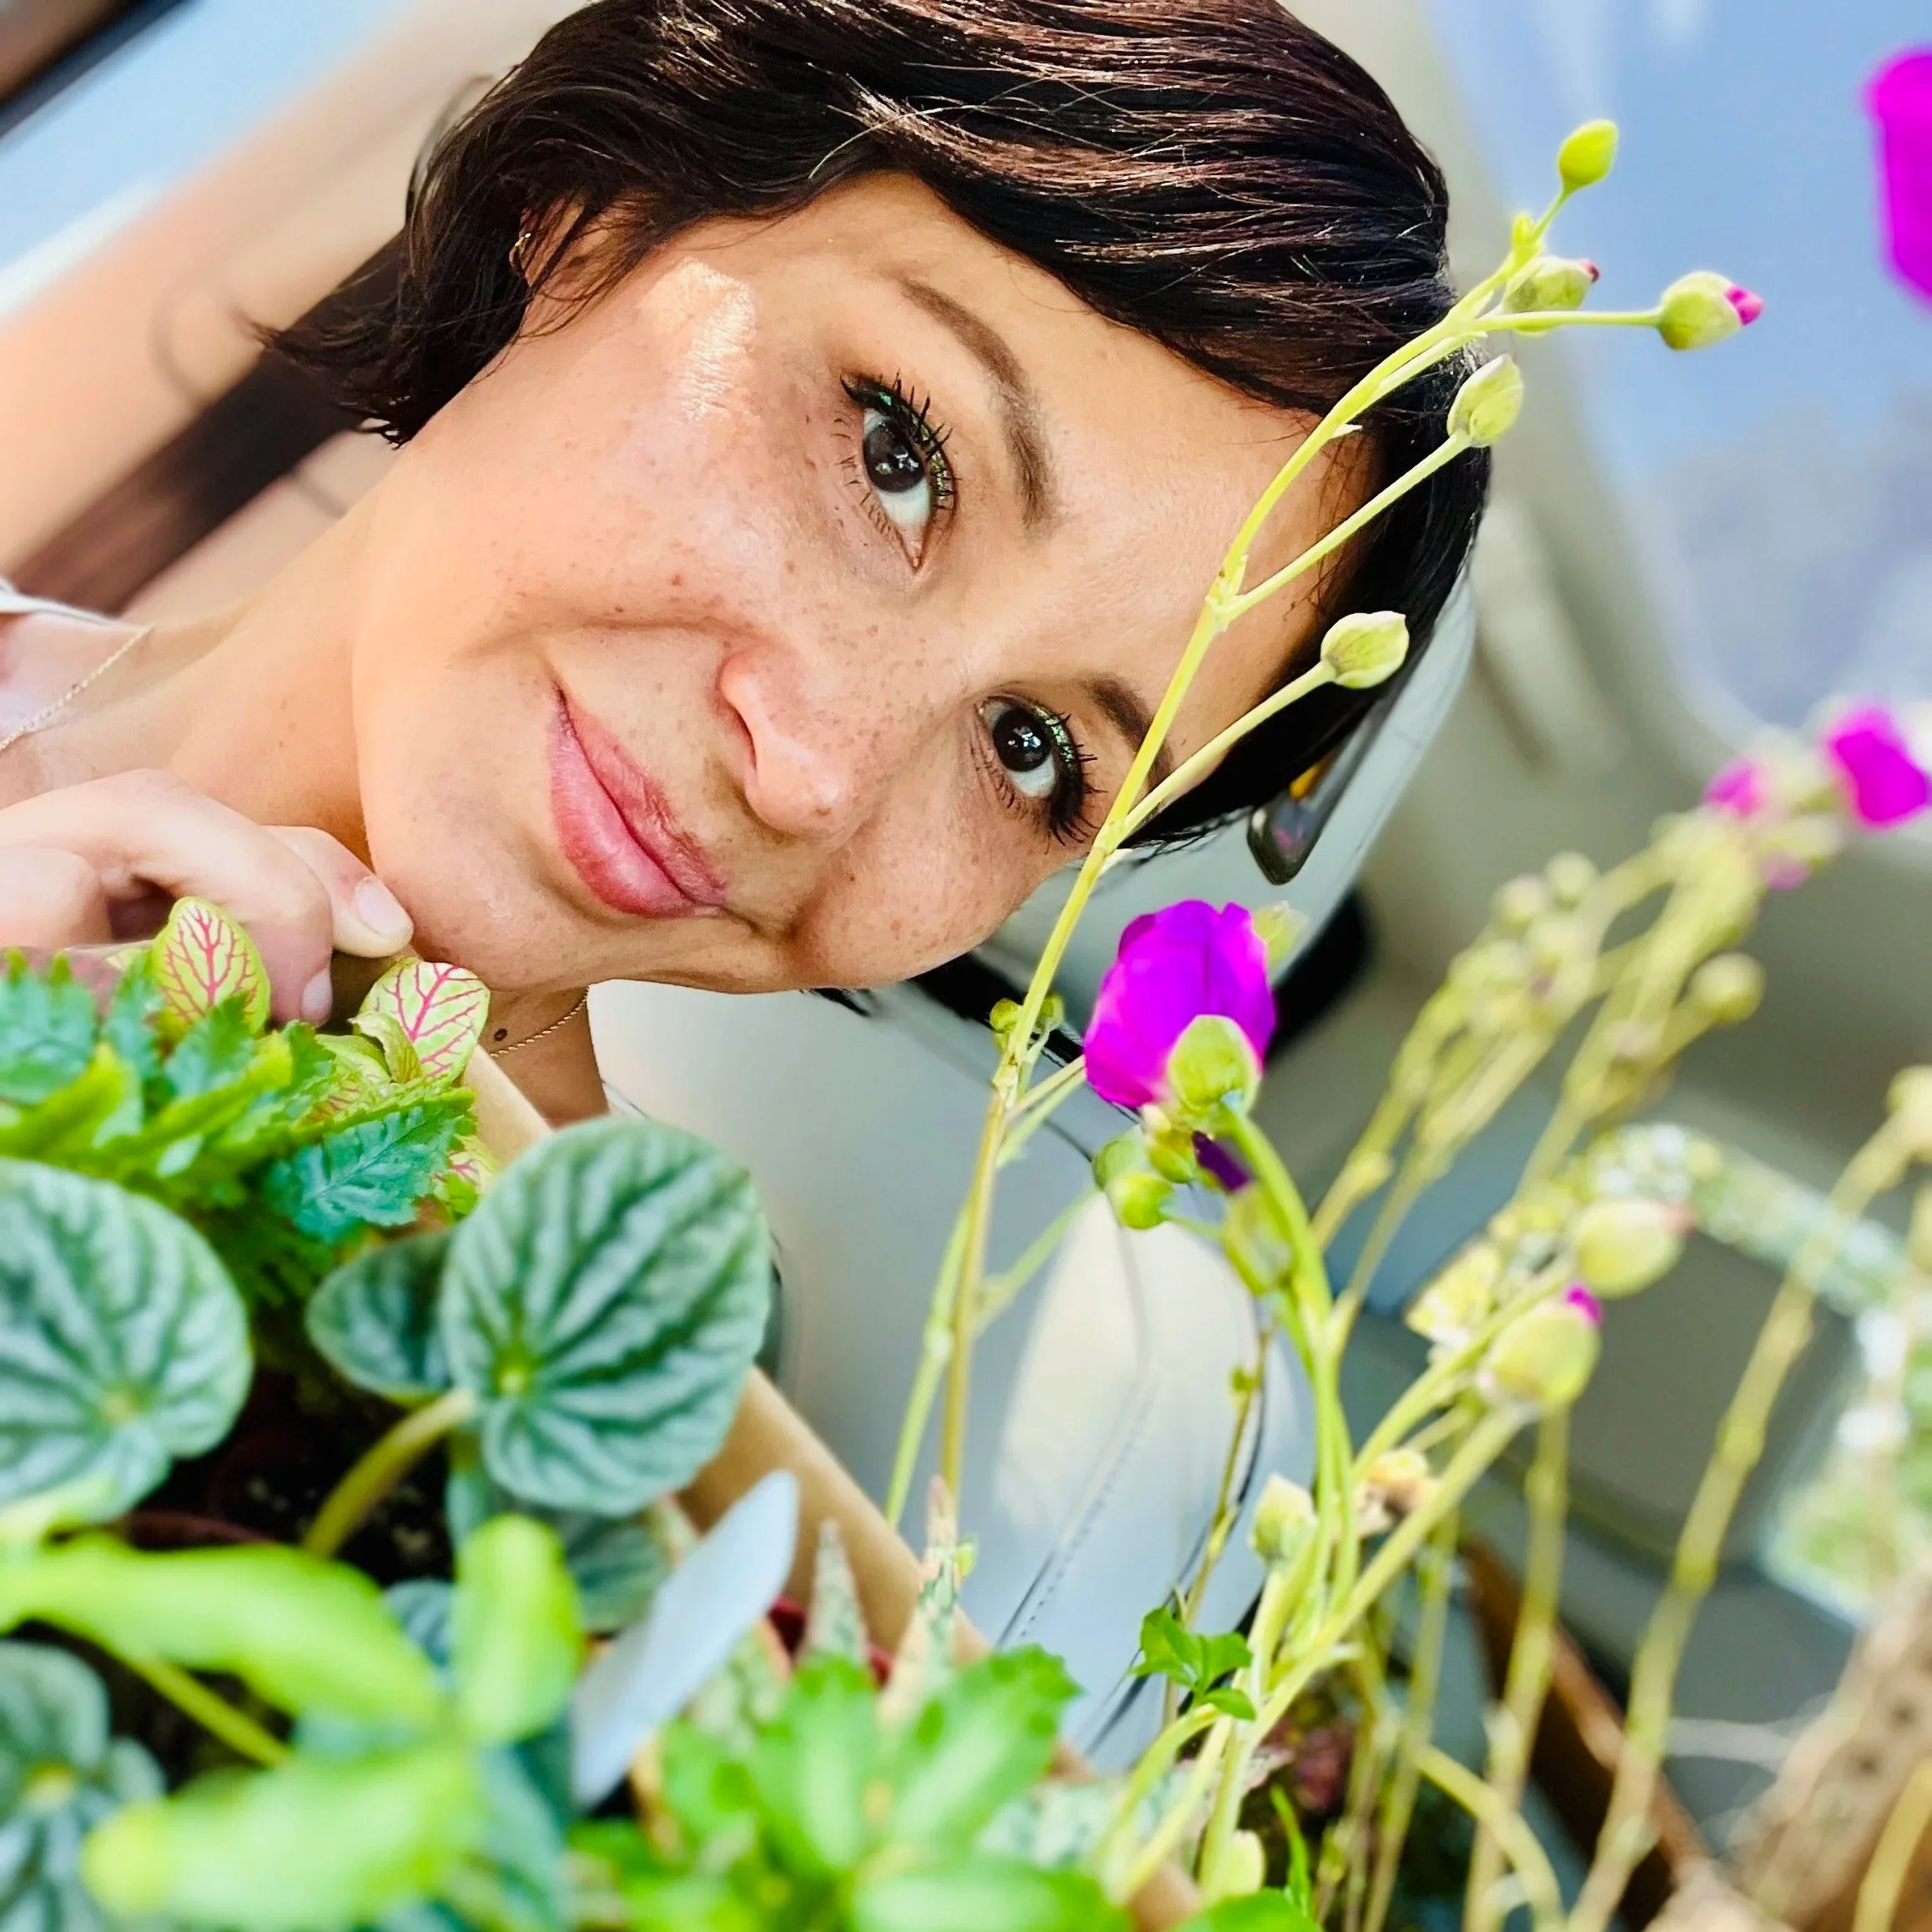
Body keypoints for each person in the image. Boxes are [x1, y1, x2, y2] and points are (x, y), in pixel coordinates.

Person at [0, 0, 1486, 1124]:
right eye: (899, 457)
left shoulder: (553, 1402)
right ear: (584, 210)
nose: (821, 774)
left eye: (1034, 754)